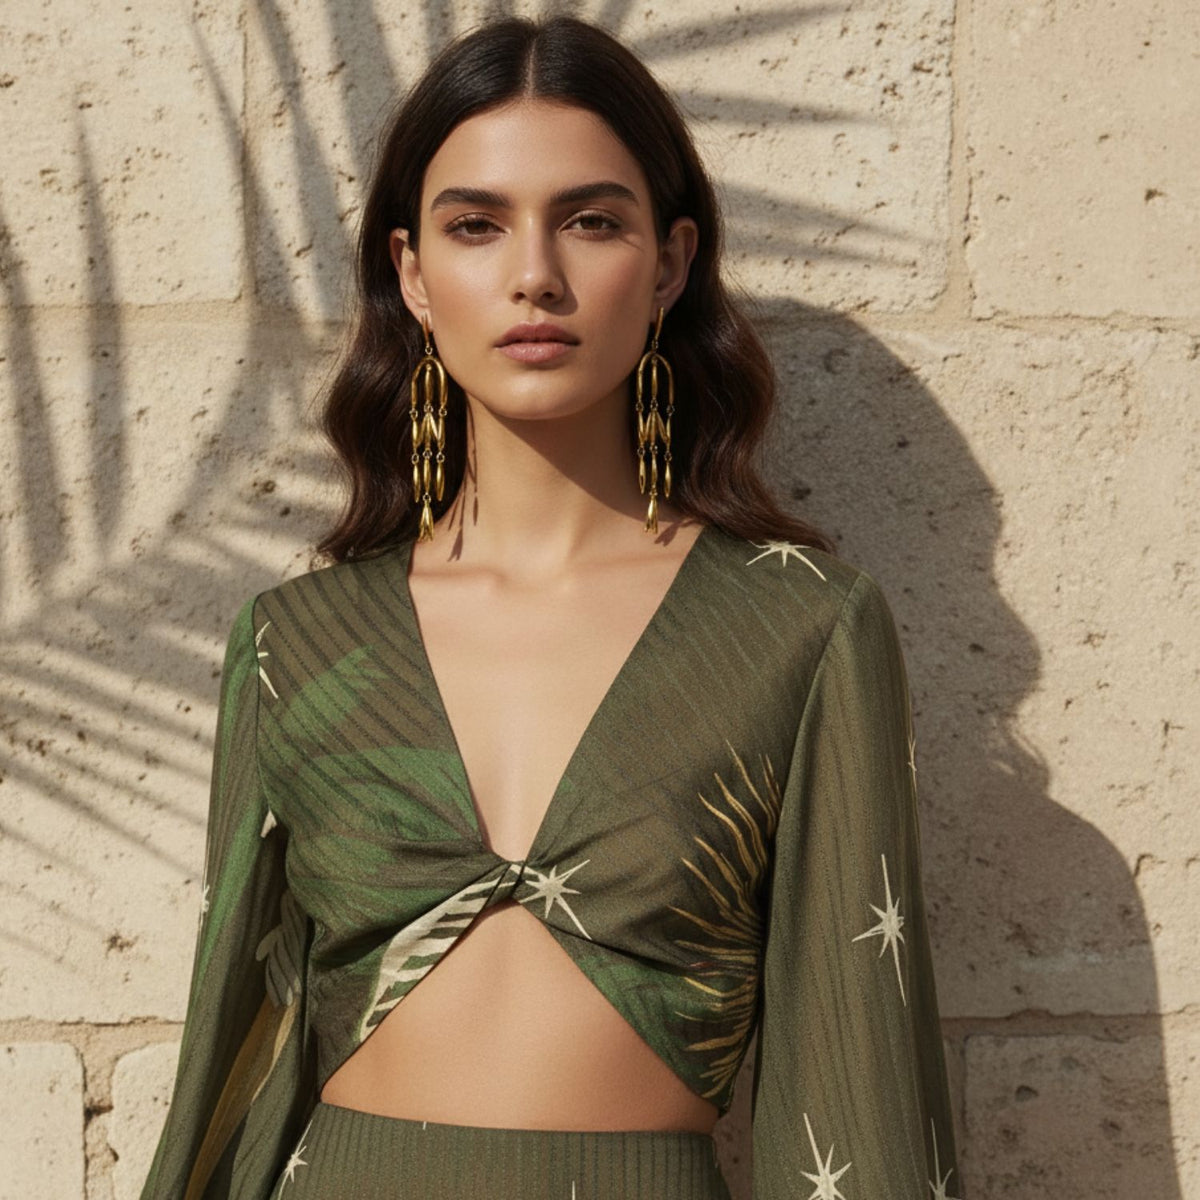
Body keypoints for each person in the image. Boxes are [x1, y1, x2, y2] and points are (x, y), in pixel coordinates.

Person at [141, 14, 960, 1200]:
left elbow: (858, 1072)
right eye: (476, 225)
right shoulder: (296, 646)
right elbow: (235, 1047)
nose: (535, 274)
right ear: (413, 275)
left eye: (591, 220)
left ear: (670, 264)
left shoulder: (799, 630)